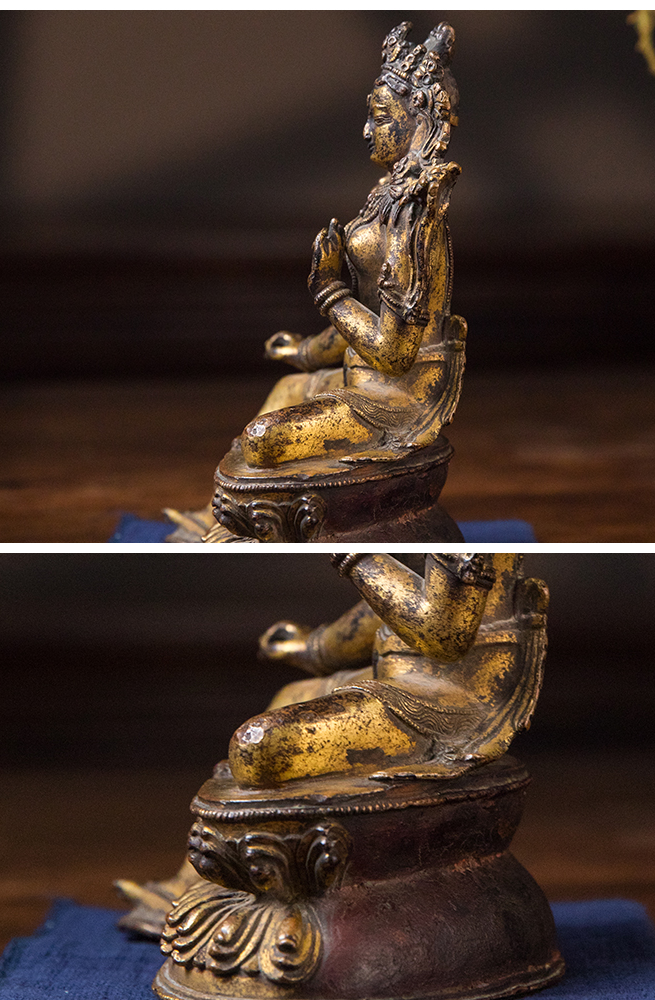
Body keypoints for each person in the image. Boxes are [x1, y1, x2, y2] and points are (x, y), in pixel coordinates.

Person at [237, 21, 467, 470]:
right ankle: (221, 512)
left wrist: (329, 290)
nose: (366, 131)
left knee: (261, 440)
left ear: (420, 123)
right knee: (284, 391)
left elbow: (394, 353)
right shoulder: (387, 196)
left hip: (397, 397)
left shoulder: (415, 218)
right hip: (359, 375)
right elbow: (367, 314)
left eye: (379, 118)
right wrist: (304, 352)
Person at [227, 553, 549, 787]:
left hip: (450, 689)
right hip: (393, 671)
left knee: (257, 746)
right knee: (288, 696)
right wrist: (319, 647)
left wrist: (359, 554)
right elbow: (399, 589)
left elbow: (443, 634)